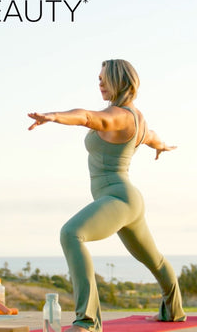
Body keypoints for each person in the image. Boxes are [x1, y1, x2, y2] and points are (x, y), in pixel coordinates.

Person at [28, 59, 186, 332]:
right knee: (154, 260)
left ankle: (87, 321)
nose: (99, 83)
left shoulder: (119, 116)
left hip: (118, 198)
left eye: (104, 78)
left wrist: (54, 116)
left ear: (119, 81)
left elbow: (87, 117)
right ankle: (174, 311)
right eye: (98, 78)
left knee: (71, 234)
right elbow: (151, 136)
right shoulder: (136, 117)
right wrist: (162, 146)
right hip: (127, 199)